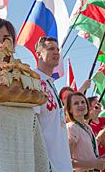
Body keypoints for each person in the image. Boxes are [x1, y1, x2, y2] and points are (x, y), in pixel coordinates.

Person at [33, 36, 73, 171]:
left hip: (62, 164)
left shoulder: (51, 84)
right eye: (50, 49)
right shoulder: (33, 80)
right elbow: (34, 124)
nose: (56, 52)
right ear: (38, 54)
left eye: (57, 49)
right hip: (48, 165)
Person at [66, 91, 105, 171]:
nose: (80, 105)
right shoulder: (71, 127)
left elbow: (87, 156)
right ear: (70, 109)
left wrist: (99, 159)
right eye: (76, 103)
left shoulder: (88, 127)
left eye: (83, 102)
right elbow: (67, 161)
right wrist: (94, 164)